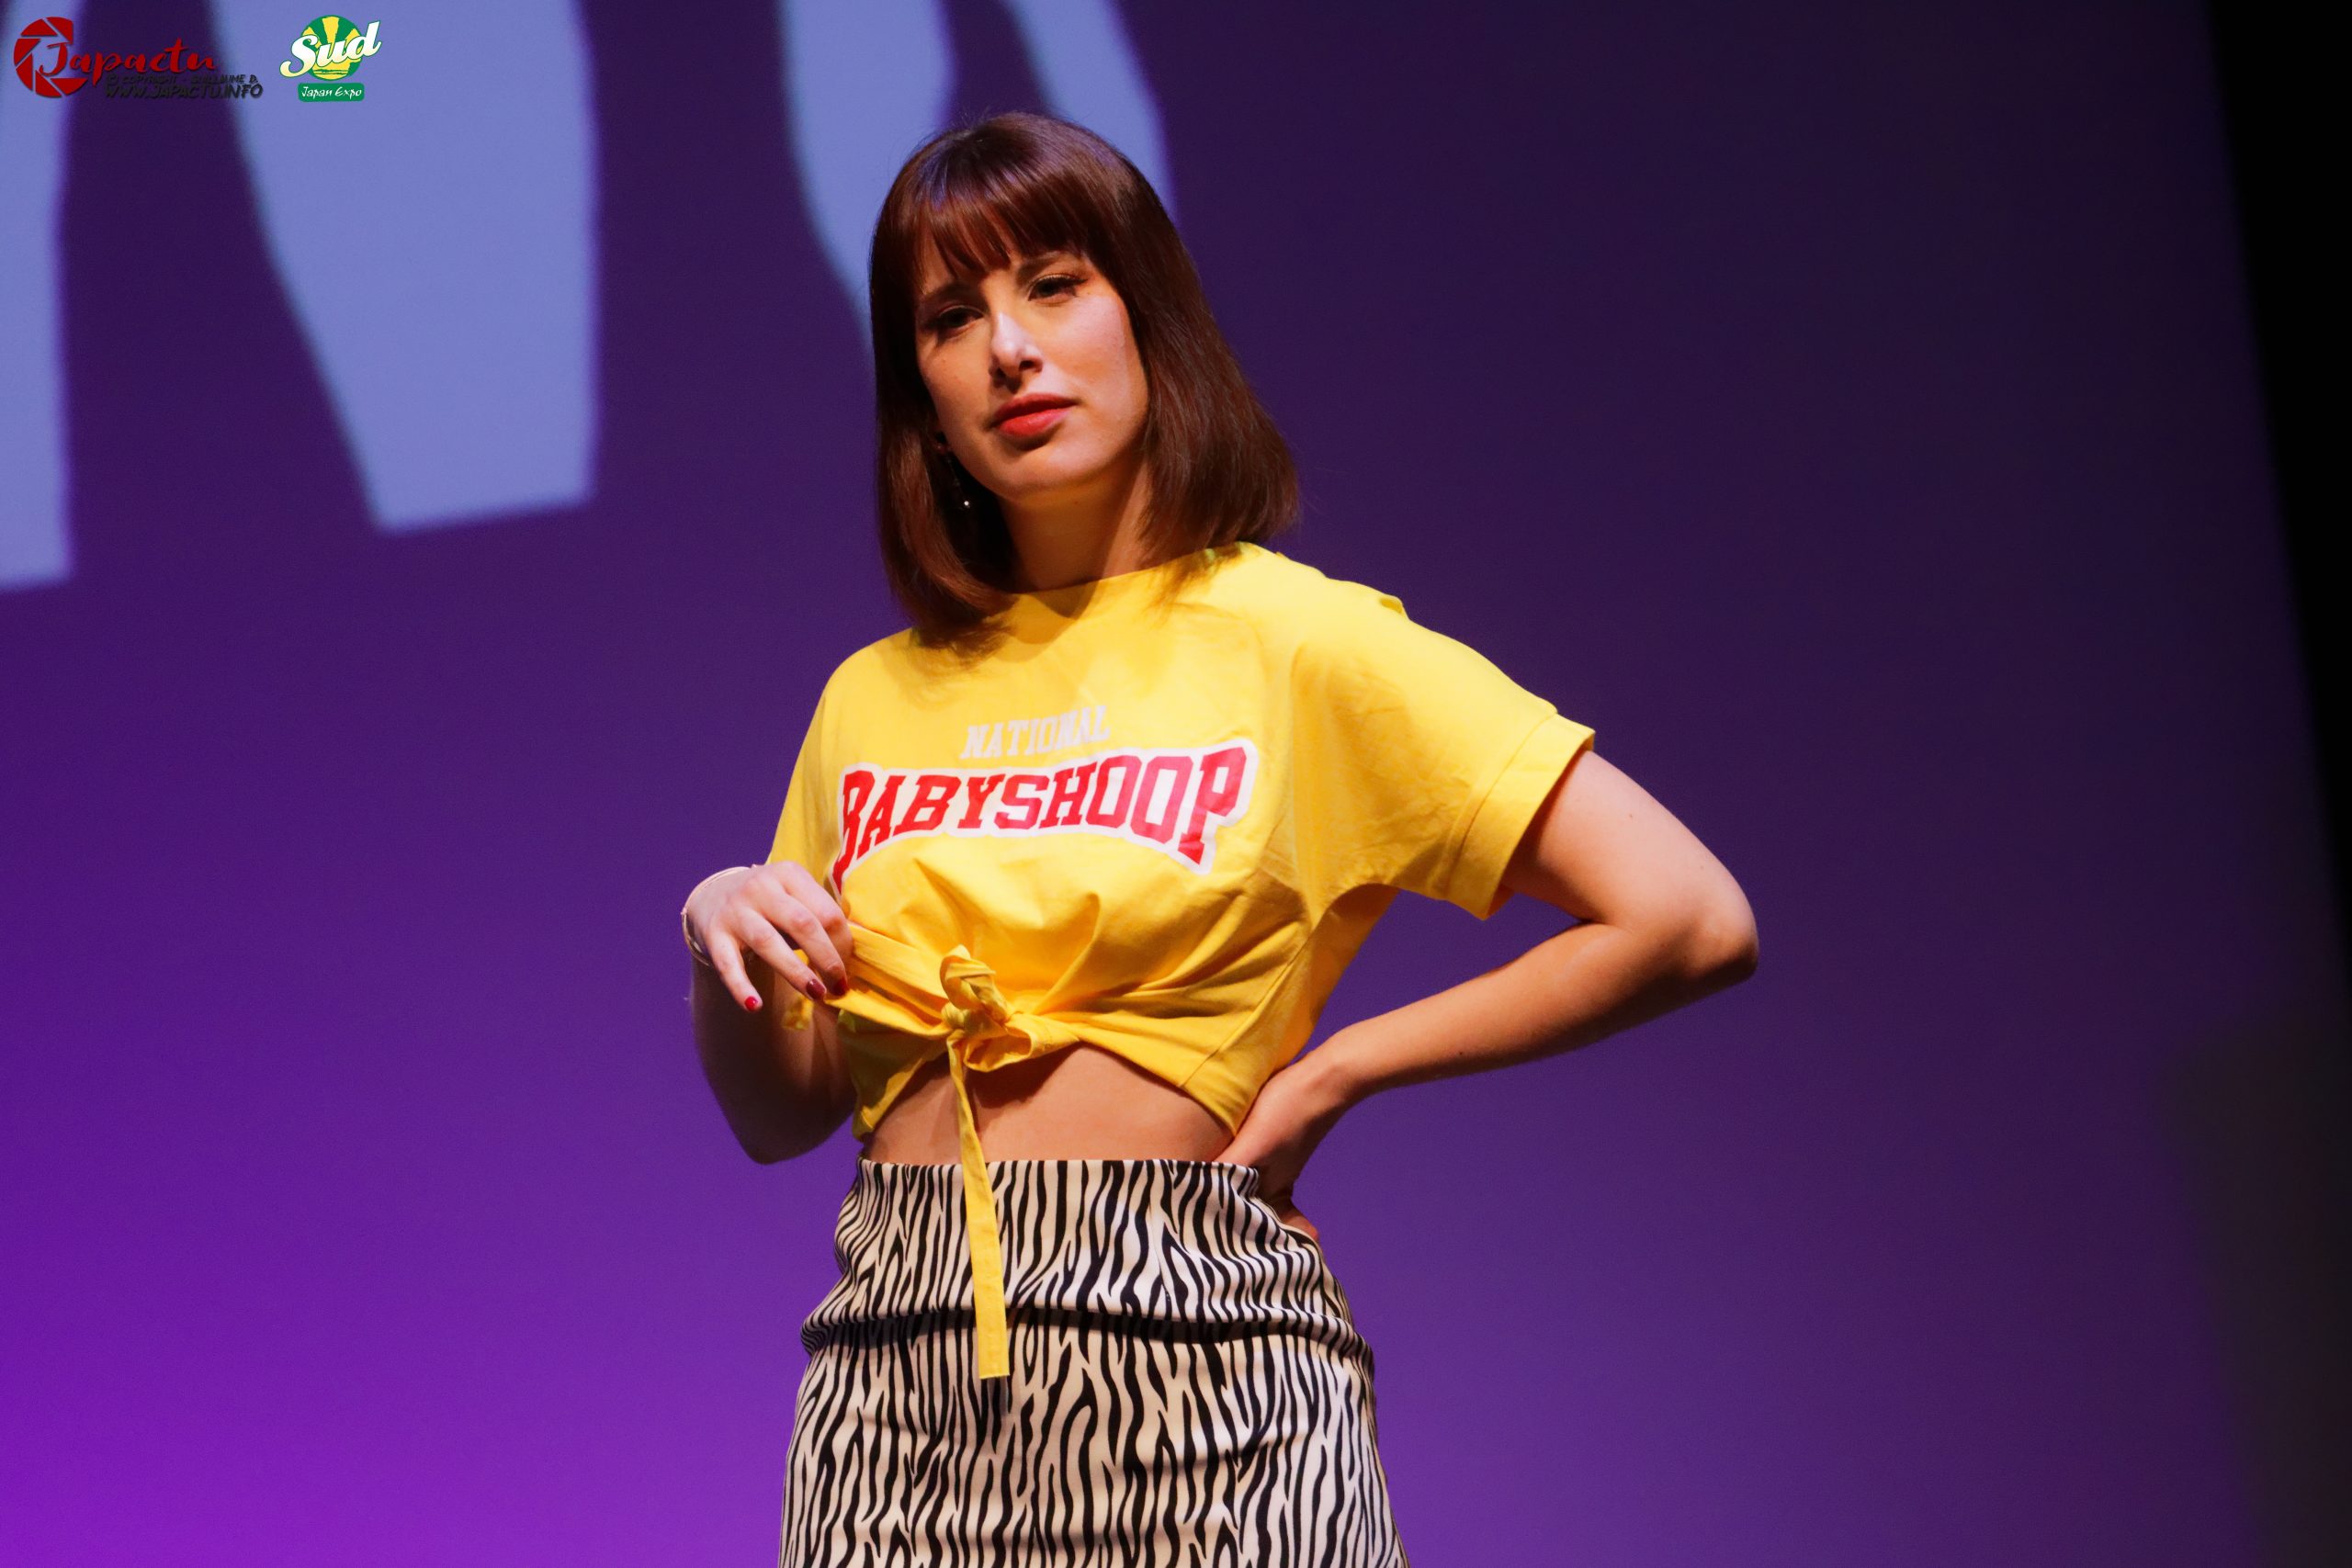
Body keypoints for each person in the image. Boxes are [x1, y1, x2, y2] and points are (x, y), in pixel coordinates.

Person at [680, 111, 1758, 1568]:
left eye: (1053, 285)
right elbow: (781, 1116)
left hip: (1206, 1376)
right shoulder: (869, 697)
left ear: (1148, 320)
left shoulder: (1298, 641)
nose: (1009, 349)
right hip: (896, 1384)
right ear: (921, 402)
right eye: (952, 317)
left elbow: (1687, 916)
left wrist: (1334, 1075)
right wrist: (720, 930)